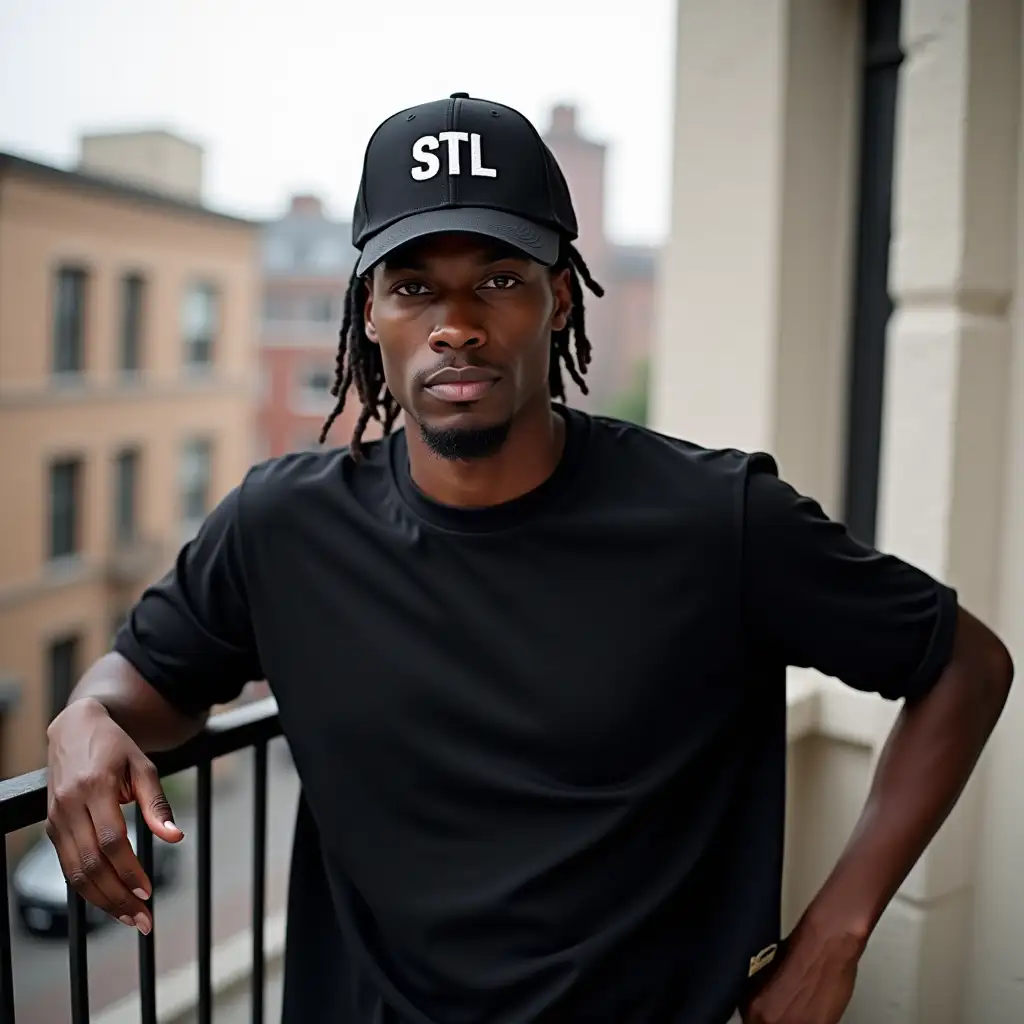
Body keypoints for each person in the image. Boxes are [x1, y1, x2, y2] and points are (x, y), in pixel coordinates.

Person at [45, 93, 1014, 1024]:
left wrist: (834, 937)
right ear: (371, 312)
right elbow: (153, 681)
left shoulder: (714, 518)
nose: (455, 323)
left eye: (498, 280)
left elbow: (964, 663)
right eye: (414, 285)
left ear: (558, 299)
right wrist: (84, 716)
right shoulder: (282, 524)